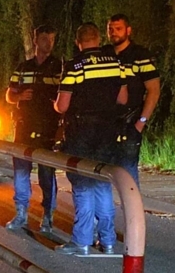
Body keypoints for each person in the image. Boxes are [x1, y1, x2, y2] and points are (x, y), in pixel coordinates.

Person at [54, 23, 128, 256]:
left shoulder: (75, 66)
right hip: (107, 131)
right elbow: (123, 99)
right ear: (98, 38)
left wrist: (55, 105)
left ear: (78, 42)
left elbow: (62, 105)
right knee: (103, 184)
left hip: (81, 131)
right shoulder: (115, 63)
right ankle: (107, 241)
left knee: (83, 184)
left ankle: (81, 241)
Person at [4, 25, 63, 233]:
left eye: (52, 40)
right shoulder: (23, 67)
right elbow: (9, 95)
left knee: (47, 173)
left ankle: (48, 216)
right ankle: (21, 214)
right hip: (23, 126)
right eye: (46, 39)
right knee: (21, 171)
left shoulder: (59, 67)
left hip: (48, 127)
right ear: (36, 40)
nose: (49, 43)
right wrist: (19, 97)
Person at [107, 14, 160, 187]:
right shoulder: (104, 55)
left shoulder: (140, 56)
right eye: (110, 29)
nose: (114, 33)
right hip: (106, 124)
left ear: (128, 31)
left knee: (128, 175)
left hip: (130, 124)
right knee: (103, 174)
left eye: (118, 29)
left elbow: (154, 90)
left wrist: (141, 123)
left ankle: (133, 214)